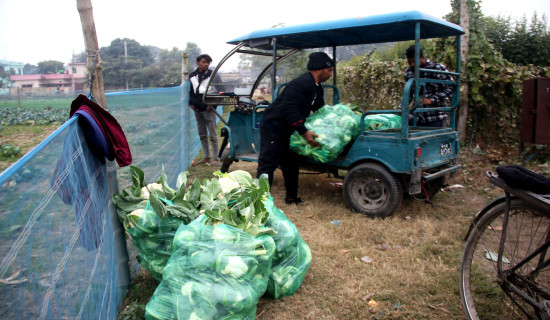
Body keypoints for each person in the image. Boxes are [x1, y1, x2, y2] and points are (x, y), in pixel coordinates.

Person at [256, 52, 334, 205]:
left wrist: (333, 119)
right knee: (268, 164)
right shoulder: (301, 84)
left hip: (289, 129)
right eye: (329, 70)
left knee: (291, 163)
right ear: (320, 69)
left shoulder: (317, 87)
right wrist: (304, 131)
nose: (331, 74)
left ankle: (291, 198)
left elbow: (319, 108)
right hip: (274, 126)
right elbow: (289, 108)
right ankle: (260, 202)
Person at [404, 45, 455, 127]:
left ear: (423, 58)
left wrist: (431, 100)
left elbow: (451, 88)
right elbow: (408, 93)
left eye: (415, 61)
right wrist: (401, 108)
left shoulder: (437, 68)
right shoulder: (409, 72)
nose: (412, 64)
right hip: (416, 117)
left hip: (435, 117)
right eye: (410, 62)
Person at [189, 54, 222, 166]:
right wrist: (191, 103)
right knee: (202, 134)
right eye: (203, 62)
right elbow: (192, 91)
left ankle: (215, 158)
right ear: (198, 62)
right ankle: (206, 157)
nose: (206, 64)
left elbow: (220, 92)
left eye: (208, 62)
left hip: (209, 108)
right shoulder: (192, 75)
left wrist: (212, 105)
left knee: (213, 135)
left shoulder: (213, 75)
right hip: (197, 108)